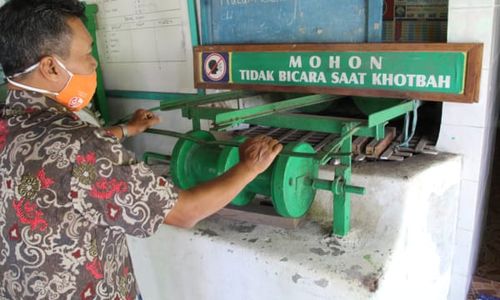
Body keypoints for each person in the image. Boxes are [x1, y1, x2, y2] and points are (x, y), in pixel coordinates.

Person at [0, 0, 283, 299]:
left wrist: (124, 130)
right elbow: (185, 212)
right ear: (50, 67)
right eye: (86, 55)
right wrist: (249, 168)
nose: (94, 63)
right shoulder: (83, 146)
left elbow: (54, 159)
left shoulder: (16, 126)